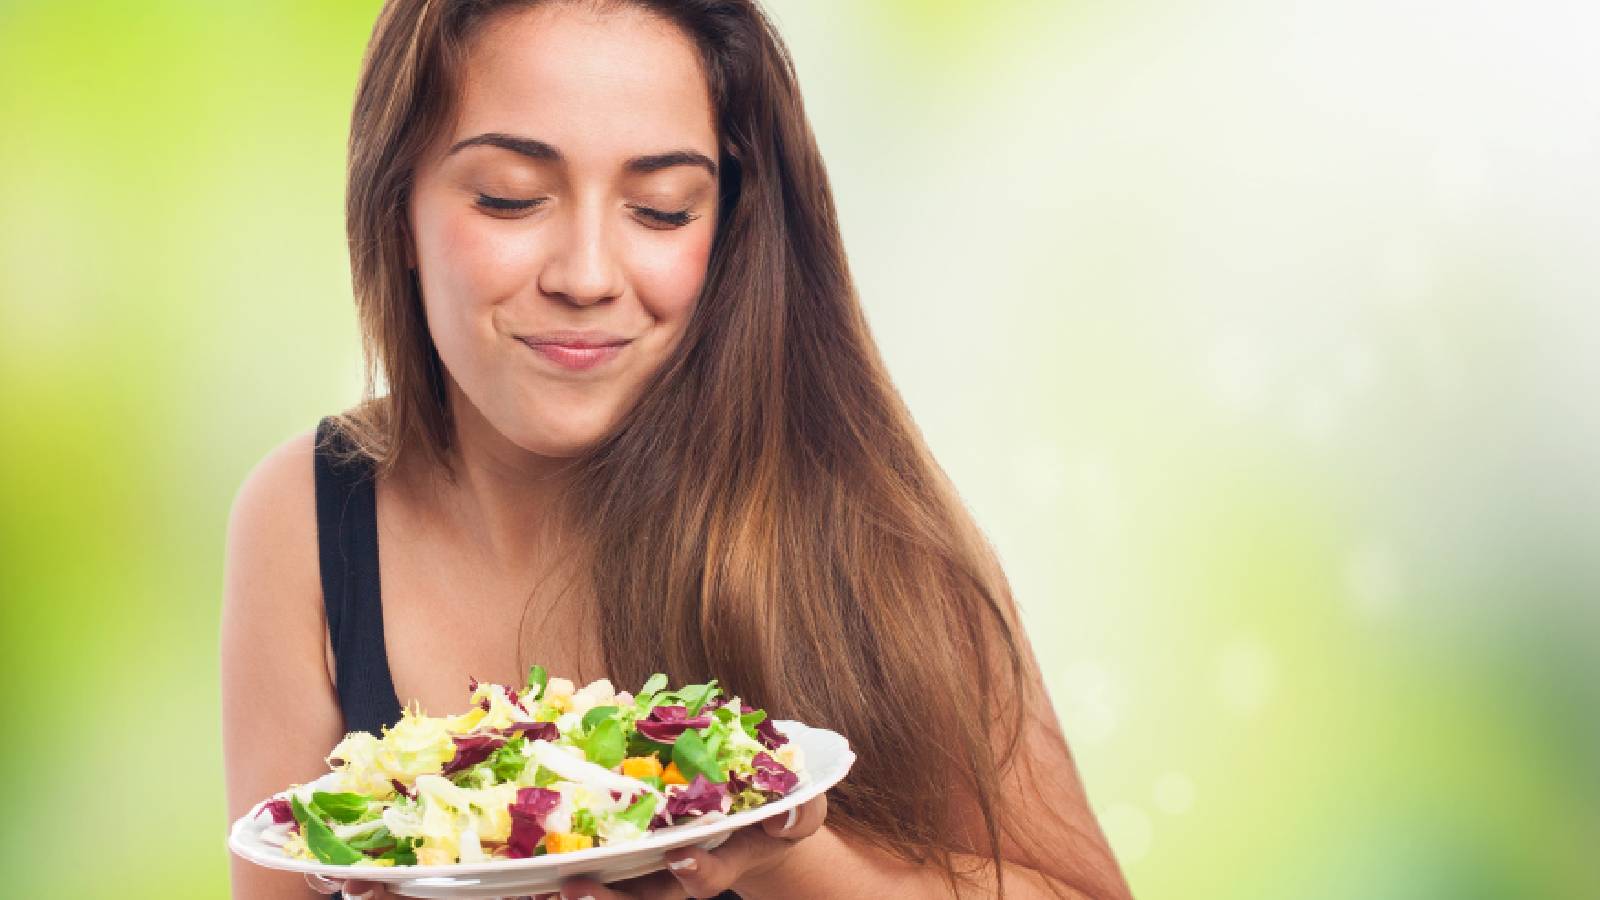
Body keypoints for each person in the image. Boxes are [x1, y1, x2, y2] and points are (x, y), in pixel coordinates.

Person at [220, 1, 1133, 898]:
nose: (585, 276)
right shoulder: (305, 516)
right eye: (510, 199)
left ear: (727, 225)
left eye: (660, 210)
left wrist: (790, 861)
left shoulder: (853, 521)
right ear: (397, 209)